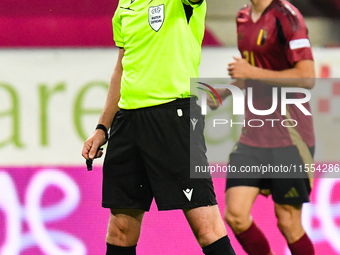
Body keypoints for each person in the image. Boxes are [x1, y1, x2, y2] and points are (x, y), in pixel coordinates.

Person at [81, 0, 236, 254]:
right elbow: (121, 67)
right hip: (127, 123)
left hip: (173, 118)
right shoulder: (125, 5)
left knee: (206, 228)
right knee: (120, 230)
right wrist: (102, 128)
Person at [208, 0, 315, 254]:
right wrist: (226, 91)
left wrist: (251, 72)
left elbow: (307, 76)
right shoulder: (243, 17)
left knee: (288, 222)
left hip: (289, 136)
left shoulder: (287, 17)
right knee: (235, 215)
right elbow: (254, 70)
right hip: (253, 136)